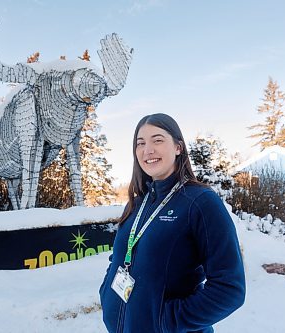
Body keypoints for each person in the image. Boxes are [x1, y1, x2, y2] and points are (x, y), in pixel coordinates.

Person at [99, 113, 246, 333]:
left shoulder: (200, 202)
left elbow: (229, 289)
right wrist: (107, 295)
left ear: (178, 147)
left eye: (157, 140)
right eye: (141, 143)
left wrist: (167, 321)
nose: (148, 149)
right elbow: (120, 258)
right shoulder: (137, 204)